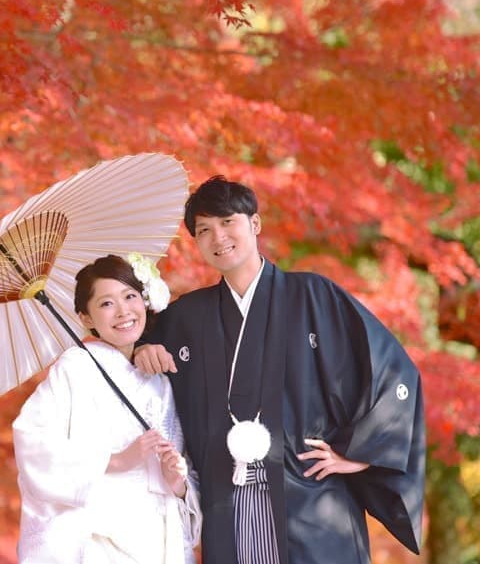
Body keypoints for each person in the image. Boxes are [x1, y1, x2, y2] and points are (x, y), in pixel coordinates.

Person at [134, 176, 425, 564]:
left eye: (227, 222)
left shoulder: (314, 296)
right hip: (226, 503)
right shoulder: (187, 316)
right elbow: (134, 360)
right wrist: (143, 349)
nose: (217, 237)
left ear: (254, 224)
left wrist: (359, 454)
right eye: (204, 230)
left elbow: (394, 373)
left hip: (311, 500)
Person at [13, 254, 202, 564]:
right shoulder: (76, 368)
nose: (123, 311)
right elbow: (32, 441)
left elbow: (182, 467)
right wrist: (115, 461)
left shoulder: (159, 381)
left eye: (130, 296)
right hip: (100, 541)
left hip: (159, 538)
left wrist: (177, 481)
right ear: (85, 318)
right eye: (106, 304)